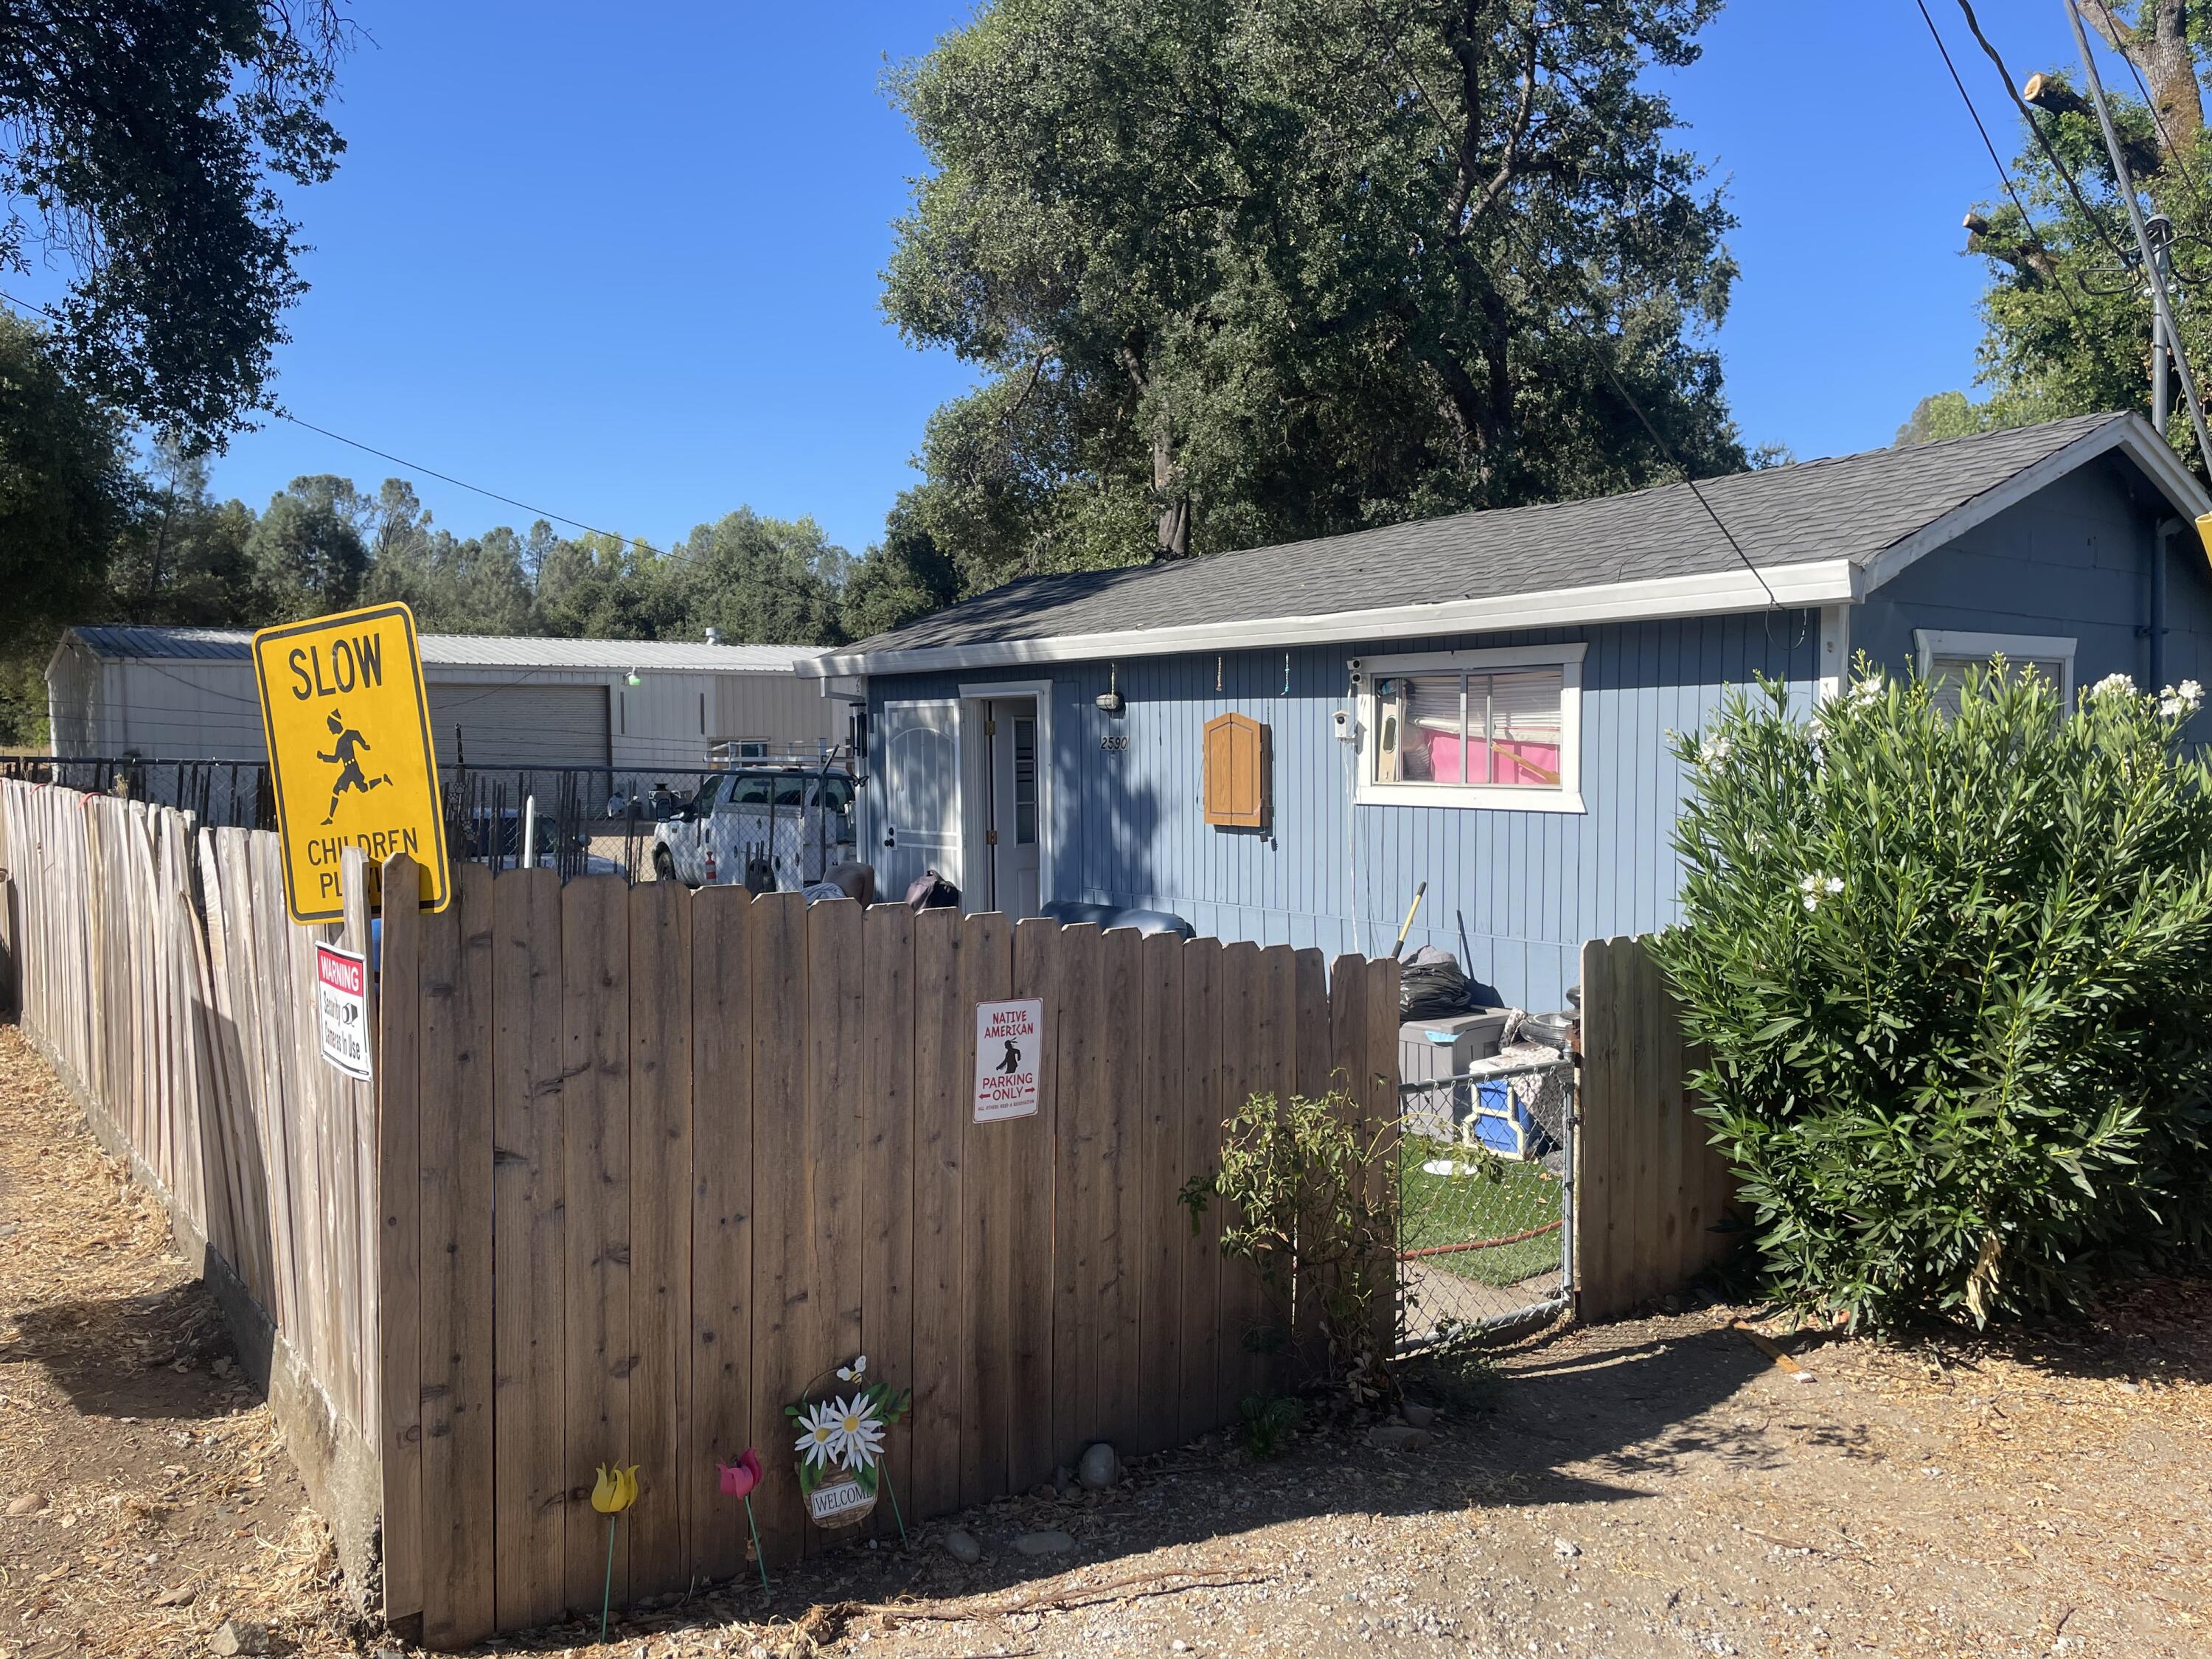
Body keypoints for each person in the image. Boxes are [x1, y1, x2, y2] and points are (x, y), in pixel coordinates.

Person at [317, 709, 392, 825]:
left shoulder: (347, 735)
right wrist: (323, 757)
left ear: (336, 725)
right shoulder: (340, 741)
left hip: (352, 768)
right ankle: (383, 779)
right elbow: (336, 758)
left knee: (345, 788)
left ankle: (330, 818)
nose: (330, 729)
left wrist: (364, 744)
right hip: (349, 769)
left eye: (330, 726)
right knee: (360, 788)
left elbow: (356, 733)